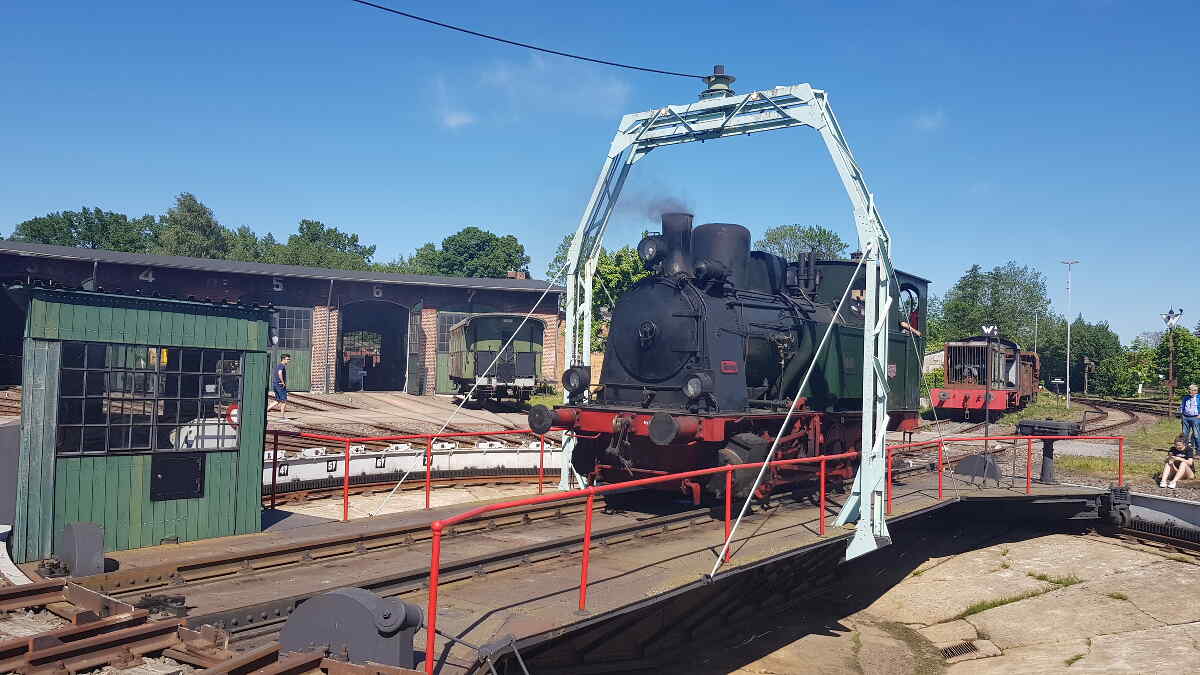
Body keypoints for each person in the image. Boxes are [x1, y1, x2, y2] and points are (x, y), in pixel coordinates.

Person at [267, 354, 291, 420]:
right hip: (280, 385)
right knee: (284, 401)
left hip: (275, 385)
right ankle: (282, 417)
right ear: (283, 359)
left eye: (289, 359)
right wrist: (283, 382)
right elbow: (280, 373)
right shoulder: (281, 365)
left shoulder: (278, 365)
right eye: (287, 359)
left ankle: (266, 410)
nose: (288, 361)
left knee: (278, 400)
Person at [1180, 384, 1200, 452]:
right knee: (1185, 434)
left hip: (1195, 418)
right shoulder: (1186, 397)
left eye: (1191, 390)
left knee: (1196, 434)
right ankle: (1185, 449)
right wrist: (1182, 414)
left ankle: (1198, 451)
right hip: (1185, 418)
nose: (1190, 391)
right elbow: (1182, 406)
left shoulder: (1199, 397)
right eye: (1189, 390)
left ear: (1196, 391)